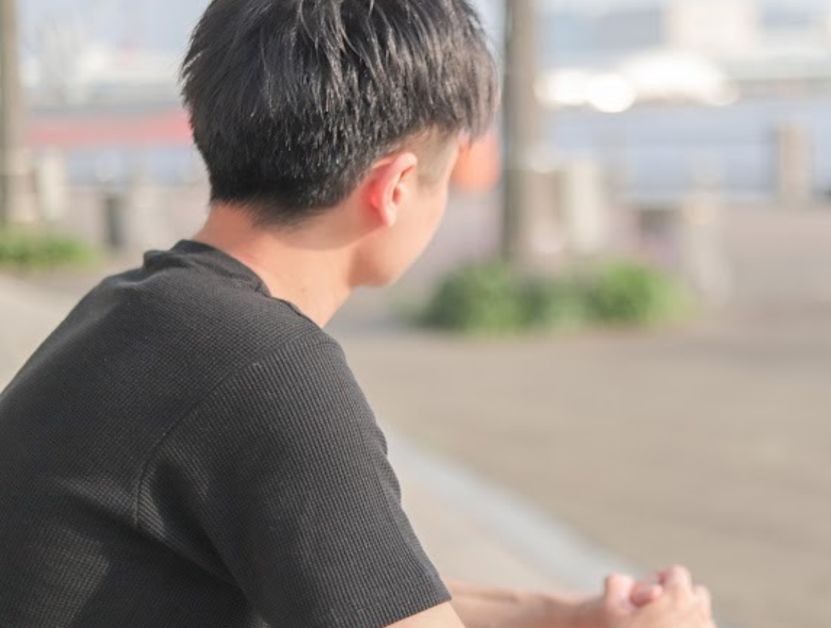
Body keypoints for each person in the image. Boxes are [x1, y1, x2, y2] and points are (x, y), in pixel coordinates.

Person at [0, 0, 716, 627]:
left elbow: (366, 585)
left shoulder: (134, 310)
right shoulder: (267, 370)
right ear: (395, 187)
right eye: (443, 177)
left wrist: (565, 616)